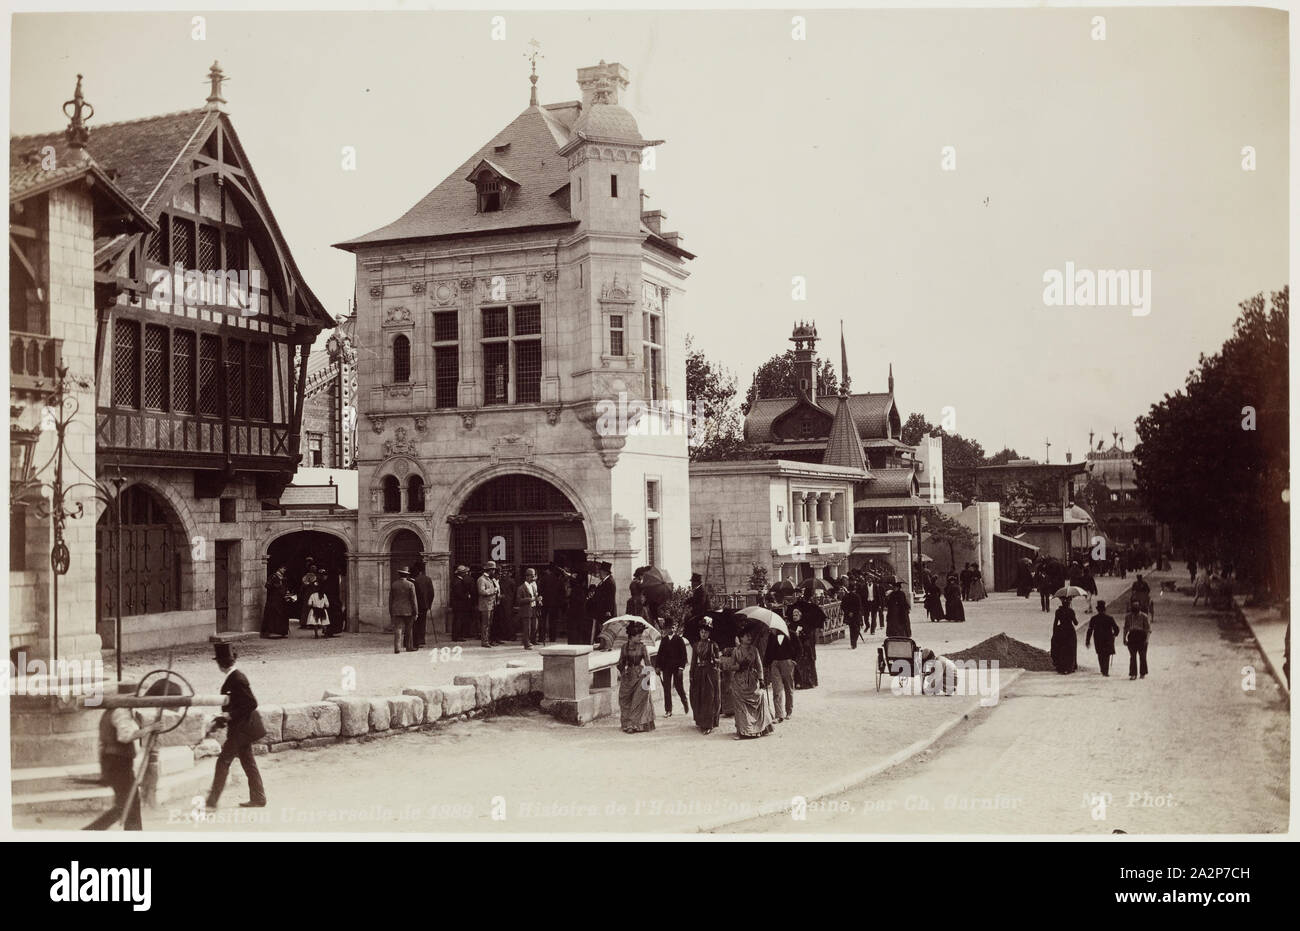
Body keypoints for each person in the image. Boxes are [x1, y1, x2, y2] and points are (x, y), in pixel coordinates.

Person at [205, 644, 267, 809]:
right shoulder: (235, 677)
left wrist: (229, 715)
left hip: (241, 729)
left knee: (223, 761)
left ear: (221, 664)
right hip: (243, 728)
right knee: (248, 762)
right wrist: (221, 720)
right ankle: (259, 798)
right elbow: (238, 704)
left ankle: (211, 802)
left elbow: (251, 703)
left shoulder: (237, 679)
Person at [84, 706, 162, 830]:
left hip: (115, 762)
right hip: (118, 763)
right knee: (126, 804)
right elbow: (125, 736)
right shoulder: (121, 711)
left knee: (129, 803)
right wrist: (150, 728)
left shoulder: (110, 712)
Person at [722, 625, 774, 739]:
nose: (749, 637)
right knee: (741, 707)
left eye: (750, 635)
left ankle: (760, 728)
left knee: (759, 699)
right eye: (746, 636)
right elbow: (731, 666)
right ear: (741, 638)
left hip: (752, 680)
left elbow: (759, 666)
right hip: (739, 681)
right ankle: (743, 731)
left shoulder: (754, 650)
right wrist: (738, 666)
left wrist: (761, 679)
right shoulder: (736, 651)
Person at [616, 620, 656, 733]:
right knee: (625, 699)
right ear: (631, 636)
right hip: (628, 676)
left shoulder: (642, 647)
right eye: (638, 636)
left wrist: (650, 682)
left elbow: (648, 663)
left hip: (641, 675)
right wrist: (621, 669)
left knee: (638, 700)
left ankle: (634, 725)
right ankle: (627, 724)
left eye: (641, 636)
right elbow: (621, 662)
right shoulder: (624, 647)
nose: (640, 638)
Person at [690, 617, 722, 734]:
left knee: (710, 697)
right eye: (702, 632)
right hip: (699, 672)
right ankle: (701, 721)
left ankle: (709, 723)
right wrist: (691, 674)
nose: (703, 634)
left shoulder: (713, 645)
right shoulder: (695, 645)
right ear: (699, 632)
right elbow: (693, 661)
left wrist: (715, 660)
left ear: (709, 633)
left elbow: (719, 660)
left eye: (706, 632)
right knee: (699, 697)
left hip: (710, 673)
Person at [787, 595, 824, 689]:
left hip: (805, 648)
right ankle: (797, 682)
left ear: (800, 615)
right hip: (794, 648)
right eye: (793, 615)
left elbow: (808, 636)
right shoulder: (791, 625)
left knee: (805, 665)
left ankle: (807, 682)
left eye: (796, 615)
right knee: (796, 665)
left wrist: (801, 634)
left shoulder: (805, 624)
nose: (795, 617)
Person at [654, 620, 689, 716]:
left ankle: (684, 700)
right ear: (665, 629)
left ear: (675, 628)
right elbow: (660, 654)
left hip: (677, 668)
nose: (671, 629)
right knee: (667, 688)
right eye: (669, 627)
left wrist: (681, 668)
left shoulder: (679, 639)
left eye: (673, 627)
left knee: (679, 687)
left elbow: (684, 656)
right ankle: (668, 710)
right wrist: (657, 666)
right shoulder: (664, 640)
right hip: (666, 668)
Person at [765, 625, 798, 722]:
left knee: (788, 688)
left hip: (787, 662)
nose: (771, 629)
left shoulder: (791, 634)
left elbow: (799, 648)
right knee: (777, 689)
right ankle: (779, 715)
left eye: (773, 628)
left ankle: (789, 711)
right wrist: (766, 664)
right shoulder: (772, 636)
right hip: (775, 663)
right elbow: (768, 651)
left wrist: (794, 661)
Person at [1085, 599, 1120, 676]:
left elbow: (1090, 630)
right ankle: (1105, 671)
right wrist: (1114, 635)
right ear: (1104, 609)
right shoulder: (1110, 618)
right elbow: (1116, 629)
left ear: (1098, 610)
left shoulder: (1094, 618)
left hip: (1098, 639)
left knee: (1100, 654)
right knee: (1106, 654)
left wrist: (1087, 641)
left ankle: (1102, 669)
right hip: (1108, 639)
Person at [388, 566, 417, 653]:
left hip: (396, 610)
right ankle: (409, 647)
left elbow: (390, 599)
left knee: (398, 629)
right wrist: (416, 612)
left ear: (399, 575)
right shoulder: (410, 584)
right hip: (409, 610)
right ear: (407, 575)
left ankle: (397, 648)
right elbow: (413, 599)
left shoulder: (394, 584)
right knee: (409, 629)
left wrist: (391, 611)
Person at [587, 562, 617, 643]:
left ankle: (606, 644)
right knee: (602, 628)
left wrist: (608, 610)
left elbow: (610, 597)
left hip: (606, 610)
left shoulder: (610, 581)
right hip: (601, 609)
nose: (599, 573)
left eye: (600, 571)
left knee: (606, 628)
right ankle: (602, 643)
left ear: (604, 572)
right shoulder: (603, 581)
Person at [260, 565, 291, 638]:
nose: (284, 570)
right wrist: (276, 586)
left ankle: (282, 631)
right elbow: (267, 585)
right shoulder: (273, 577)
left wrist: (287, 592)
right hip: (274, 599)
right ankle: (272, 631)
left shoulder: (284, 578)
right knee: (273, 614)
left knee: (283, 614)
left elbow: (285, 587)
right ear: (279, 568)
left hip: (282, 599)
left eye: (285, 569)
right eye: (283, 568)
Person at [1051, 596, 1079, 674]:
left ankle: (1061, 666)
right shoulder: (1071, 611)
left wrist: (1054, 633)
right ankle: (1070, 666)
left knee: (1060, 648)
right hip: (1070, 631)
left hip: (1061, 630)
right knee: (1071, 648)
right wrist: (1073, 614)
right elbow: (1076, 623)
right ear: (1069, 603)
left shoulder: (1058, 611)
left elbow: (1055, 623)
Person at [1124, 603, 1151, 680]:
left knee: (1142, 656)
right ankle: (1133, 674)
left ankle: (1142, 673)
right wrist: (1124, 638)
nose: (1135, 614)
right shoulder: (1128, 617)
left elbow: (1148, 629)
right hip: (1132, 636)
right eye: (1133, 611)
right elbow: (1126, 628)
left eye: (1136, 611)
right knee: (1132, 656)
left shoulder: (1144, 616)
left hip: (1141, 636)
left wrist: (1147, 640)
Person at [476, 561, 500, 649]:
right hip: (485, 605)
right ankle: (484, 641)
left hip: (491, 605)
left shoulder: (489, 579)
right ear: (489, 570)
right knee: (485, 624)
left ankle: (488, 640)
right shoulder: (481, 579)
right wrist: (493, 591)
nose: (494, 572)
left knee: (489, 624)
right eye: (493, 570)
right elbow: (481, 591)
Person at [539, 565, 566, 644]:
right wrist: (560, 603)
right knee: (553, 621)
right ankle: (552, 637)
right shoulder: (559, 580)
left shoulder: (543, 579)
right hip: (555, 604)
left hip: (544, 603)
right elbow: (562, 593)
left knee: (543, 620)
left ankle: (541, 637)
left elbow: (540, 590)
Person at [412, 561, 434, 649]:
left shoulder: (413, 579)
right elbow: (431, 593)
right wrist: (429, 604)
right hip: (424, 605)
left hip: (415, 605)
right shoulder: (428, 579)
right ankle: (421, 639)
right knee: (422, 623)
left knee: (414, 623)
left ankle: (415, 640)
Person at [450, 565, 475, 642]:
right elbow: (459, 594)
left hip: (458, 604)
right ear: (461, 573)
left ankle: (457, 636)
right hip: (459, 604)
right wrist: (467, 596)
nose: (465, 574)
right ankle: (457, 636)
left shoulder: (457, 580)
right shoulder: (458, 582)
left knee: (458, 619)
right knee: (458, 620)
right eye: (464, 573)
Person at [517, 568, 540, 649]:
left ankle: (532, 641)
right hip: (526, 610)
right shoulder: (521, 588)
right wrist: (531, 599)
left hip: (533, 608)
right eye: (532, 576)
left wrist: (538, 599)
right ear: (527, 577)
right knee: (527, 628)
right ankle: (526, 644)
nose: (534, 578)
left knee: (534, 626)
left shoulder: (533, 586)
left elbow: (535, 596)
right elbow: (519, 600)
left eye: (534, 576)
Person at [305, 573, 331, 638]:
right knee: (324, 622)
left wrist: (312, 605)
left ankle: (316, 634)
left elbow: (309, 603)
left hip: (315, 610)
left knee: (315, 623)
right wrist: (324, 606)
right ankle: (325, 633)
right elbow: (327, 605)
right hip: (322, 610)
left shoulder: (313, 595)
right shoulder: (324, 595)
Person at [841, 584, 864, 648]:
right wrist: (853, 612)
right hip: (856, 615)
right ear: (854, 589)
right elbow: (859, 606)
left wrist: (848, 612)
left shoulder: (845, 597)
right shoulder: (857, 596)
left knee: (852, 629)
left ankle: (852, 643)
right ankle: (854, 642)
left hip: (849, 616)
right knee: (857, 628)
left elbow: (842, 606)